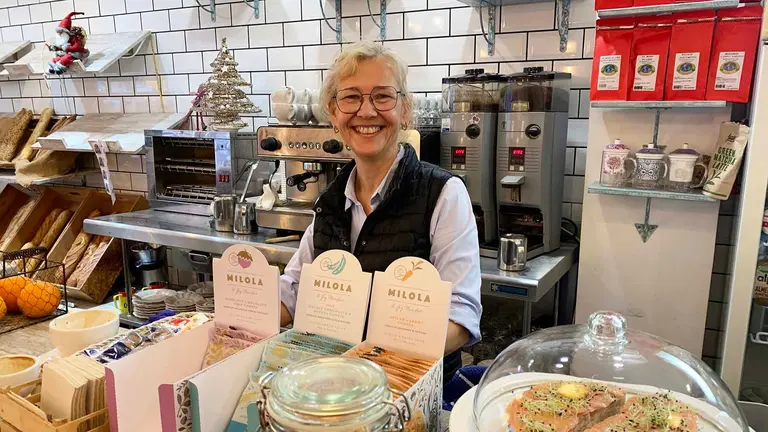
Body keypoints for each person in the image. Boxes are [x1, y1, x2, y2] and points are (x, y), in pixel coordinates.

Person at [278, 41, 482, 384]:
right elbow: (295, 292)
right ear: (333, 112)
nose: (367, 111)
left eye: (383, 96)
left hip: (412, 390)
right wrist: (238, 315)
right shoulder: (329, 201)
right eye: (351, 97)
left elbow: (461, 317)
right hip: (336, 386)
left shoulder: (443, 193)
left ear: (405, 109)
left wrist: (376, 358)